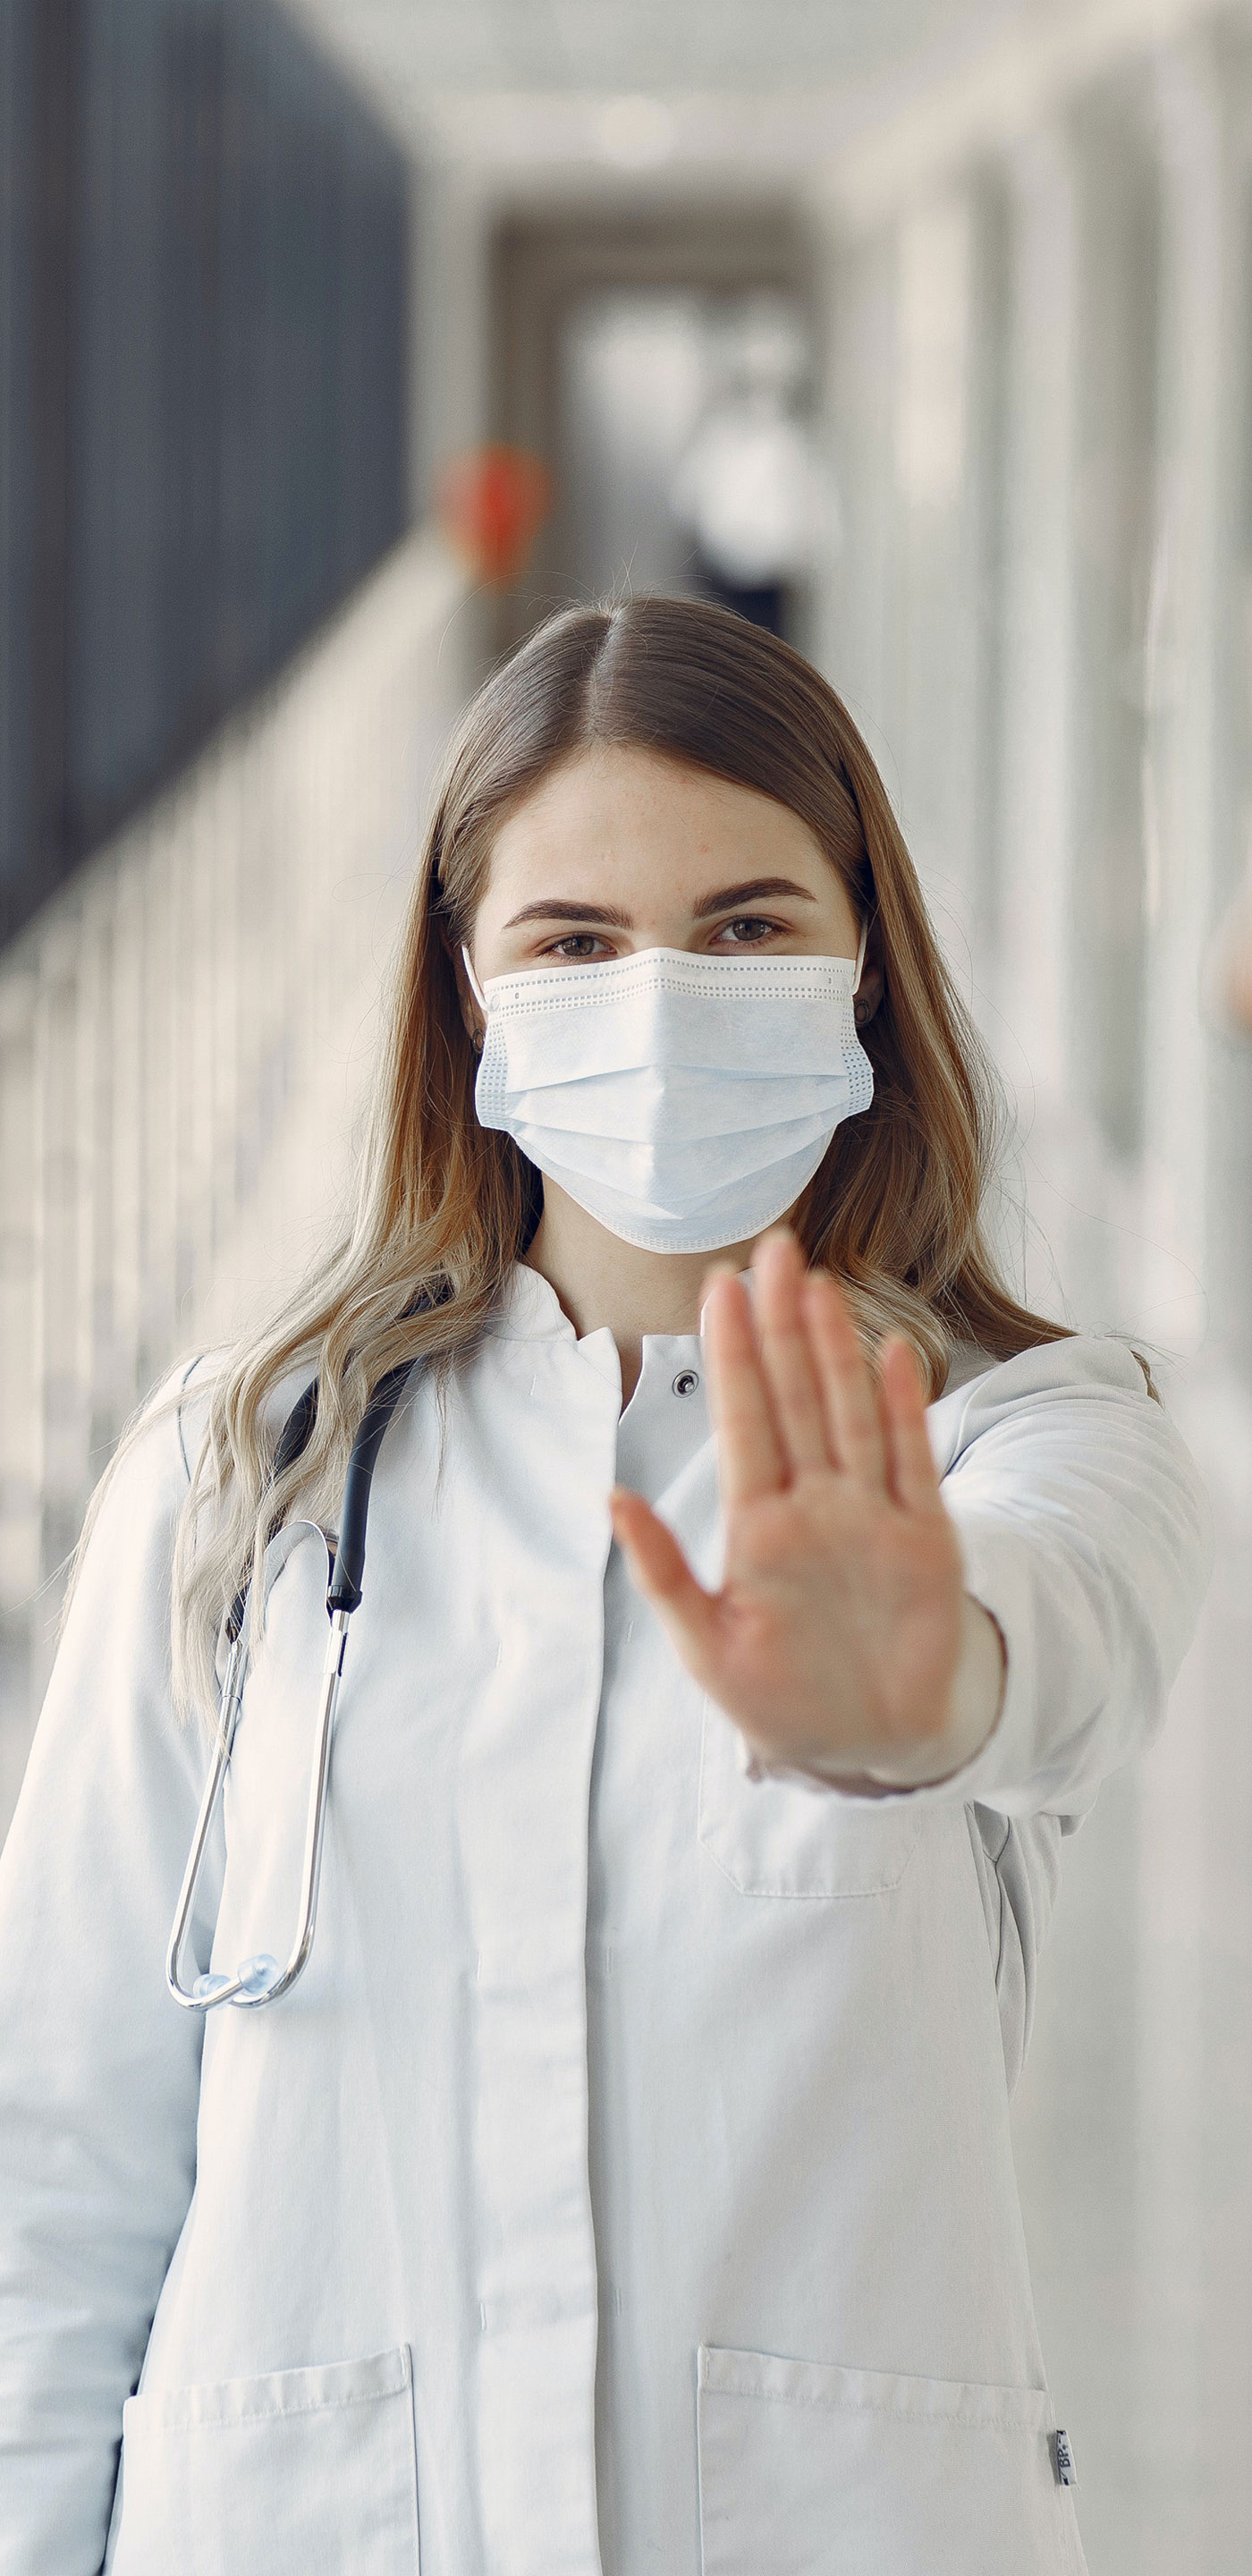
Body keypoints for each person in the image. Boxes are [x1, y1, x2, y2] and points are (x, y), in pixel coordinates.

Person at [0, 597, 1210, 2576]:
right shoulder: (245, 1471)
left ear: (862, 968)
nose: (659, 1002)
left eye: (744, 928)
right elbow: (49, 2184)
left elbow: (1072, 1627)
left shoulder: (1019, 1440)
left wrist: (929, 1691)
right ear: (469, 995)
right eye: (574, 942)